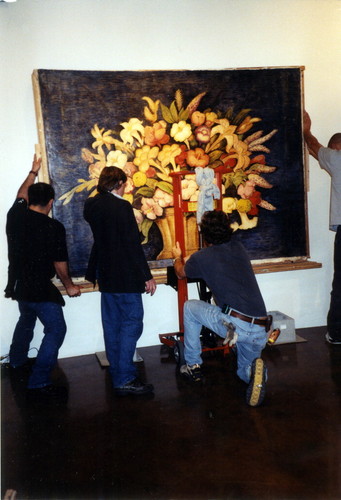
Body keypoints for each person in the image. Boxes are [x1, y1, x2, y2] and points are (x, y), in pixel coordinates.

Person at [172, 210, 270, 407]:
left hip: (235, 326)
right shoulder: (239, 247)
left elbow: (181, 273)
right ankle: (256, 372)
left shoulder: (202, 258)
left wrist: (178, 257)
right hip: (261, 326)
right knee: (243, 371)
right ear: (228, 229)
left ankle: (192, 365)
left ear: (204, 235)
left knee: (190, 307)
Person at [5, 154, 81, 398]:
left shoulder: (15, 215)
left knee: (26, 320)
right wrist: (69, 286)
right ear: (50, 203)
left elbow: (20, 193)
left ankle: (16, 361)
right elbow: (60, 263)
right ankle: (38, 380)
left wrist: (32, 172)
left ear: (28, 201)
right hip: (38, 288)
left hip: (17, 286)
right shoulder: (53, 227)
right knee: (56, 329)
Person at [84, 166, 157, 396]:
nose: (126, 189)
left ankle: (118, 373)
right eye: (124, 185)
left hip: (105, 275)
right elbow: (132, 245)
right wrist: (147, 276)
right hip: (126, 276)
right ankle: (125, 377)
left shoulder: (92, 205)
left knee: (112, 326)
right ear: (118, 184)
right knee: (132, 324)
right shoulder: (122, 206)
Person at [303, 111, 341, 344]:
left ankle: (337, 334)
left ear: (336, 147)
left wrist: (306, 130)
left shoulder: (337, 157)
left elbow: (314, 146)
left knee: (340, 284)